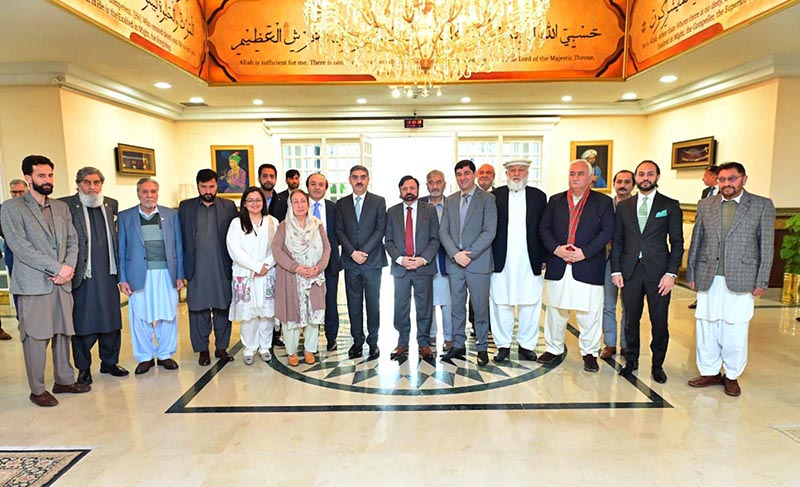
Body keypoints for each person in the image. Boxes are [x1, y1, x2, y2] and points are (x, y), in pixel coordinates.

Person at [1, 155, 89, 407]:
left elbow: (73, 240)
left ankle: (63, 380)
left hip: (62, 283)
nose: (48, 180)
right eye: (41, 176)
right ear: (28, 178)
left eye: (50, 175)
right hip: (34, 285)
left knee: (63, 333)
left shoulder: (60, 208)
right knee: (36, 338)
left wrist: (69, 267)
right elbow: (20, 247)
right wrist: (57, 267)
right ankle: (37, 389)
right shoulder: (11, 208)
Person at [686, 162, 774, 397]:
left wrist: (761, 280)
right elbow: (697, 240)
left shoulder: (761, 205)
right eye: (722, 179)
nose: (726, 183)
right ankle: (709, 371)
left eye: (732, 178)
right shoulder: (707, 204)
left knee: (735, 330)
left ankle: (731, 375)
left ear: (744, 179)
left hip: (742, 276)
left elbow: (766, 245)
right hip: (708, 275)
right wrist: (691, 273)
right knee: (707, 326)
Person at [538, 159, 614, 372]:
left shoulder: (603, 202)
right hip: (559, 263)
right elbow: (544, 228)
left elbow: (607, 232)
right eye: (572, 174)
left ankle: (589, 353)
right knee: (556, 310)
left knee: (588, 312)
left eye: (580, 174)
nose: (575, 178)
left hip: (587, 264)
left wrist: (584, 252)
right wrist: (556, 249)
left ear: (590, 178)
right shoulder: (555, 200)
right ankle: (553, 349)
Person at [612, 161, 683, 383]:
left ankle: (657, 365)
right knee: (630, 320)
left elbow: (677, 242)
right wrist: (616, 270)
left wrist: (671, 274)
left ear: (657, 177)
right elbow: (618, 241)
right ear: (635, 177)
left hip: (659, 274)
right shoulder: (624, 206)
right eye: (641, 174)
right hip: (630, 272)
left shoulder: (670, 205)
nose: (645, 178)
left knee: (659, 321)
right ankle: (631, 361)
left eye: (649, 174)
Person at [59, 167, 127, 385]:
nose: (92, 187)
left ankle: (109, 362)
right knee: (82, 322)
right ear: (78, 183)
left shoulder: (111, 204)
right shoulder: (67, 205)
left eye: (96, 182)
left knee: (111, 320)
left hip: (108, 273)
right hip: (81, 274)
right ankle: (84, 368)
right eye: (87, 182)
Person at [118, 178, 184, 375]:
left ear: (158, 193)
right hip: (139, 273)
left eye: (153, 192)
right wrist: (122, 278)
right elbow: (120, 249)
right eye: (145, 192)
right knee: (140, 315)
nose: (149, 196)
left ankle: (165, 354)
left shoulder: (171, 215)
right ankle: (145, 356)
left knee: (168, 314)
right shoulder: (125, 217)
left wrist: (180, 274)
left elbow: (178, 246)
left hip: (166, 272)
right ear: (138, 194)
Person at [438, 160, 497, 366]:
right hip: (455, 263)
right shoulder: (451, 200)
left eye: (466, 173)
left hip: (478, 262)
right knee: (456, 306)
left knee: (480, 307)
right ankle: (458, 345)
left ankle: (482, 347)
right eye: (459, 174)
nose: (462, 177)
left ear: (473, 175)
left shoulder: (487, 199)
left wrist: (469, 254)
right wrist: (455, 254)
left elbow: (490, 231)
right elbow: (443, 231)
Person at [179, 169, 238, 366]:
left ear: (216, 186)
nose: (208, 190)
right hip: (196, 268)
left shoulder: (228, 206)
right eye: (203, 186)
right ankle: (202, 350)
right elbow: (179, 240)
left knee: (223, 309)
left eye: (211, 186)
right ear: (197, 186)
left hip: (221, 267)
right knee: (198, 310)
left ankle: (221, 348)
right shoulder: (185, 207)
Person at [490, 160, 546, 363]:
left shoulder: (538, 196)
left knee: (530, 302)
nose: (516, 174)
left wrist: (544, 257)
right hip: (501, 258)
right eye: (512, 170)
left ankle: (527, 345)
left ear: (527, 172)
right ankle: (502, 345)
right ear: (505, 173)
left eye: (520, 170)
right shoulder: (495, 196)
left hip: (529, 257)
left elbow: (544, 228)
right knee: (501, 302)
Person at [384, 176, 440, 360]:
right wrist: (400, 259)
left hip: (422, 267)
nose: (409, 191)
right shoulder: (391, 212)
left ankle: (423, 342)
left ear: (417, 190)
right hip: (401, 268)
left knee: (424, 307)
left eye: (412, 188)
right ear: (400, 190)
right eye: (405, 188)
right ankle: (402, 342)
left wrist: (423, 259)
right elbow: (389, 240)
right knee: (401, 307)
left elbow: (435, 239)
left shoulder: (429, 211)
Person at [274, 189, 331, 365]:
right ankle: (291, 352)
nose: (299, 205)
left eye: (303, 202)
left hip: (314, 276)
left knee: (313, 315)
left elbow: (327, 248)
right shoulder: (284, 226)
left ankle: (309, 349)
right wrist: (296, 267)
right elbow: (276, 249)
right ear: (290, 205)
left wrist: (318, 268)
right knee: (291, 316)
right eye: (295, 202)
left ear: (308, 204)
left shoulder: (317, 224)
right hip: (292, 277)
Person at [336, 165, 387, 359]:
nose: (359, 180)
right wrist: (352, 252)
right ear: (349, 179)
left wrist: (363, 251)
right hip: (351, 263)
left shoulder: (378, 201)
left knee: (373, 303)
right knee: (353, 303)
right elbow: (339, 230)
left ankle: (373, 342)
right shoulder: (341, 203)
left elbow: (380, 229)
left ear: (368, 179)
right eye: (355, 177)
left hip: (372, 261)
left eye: (363, 177)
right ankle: (357, 341)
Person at [226, 187, 280, 365]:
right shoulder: (236, 223)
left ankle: (265, 347)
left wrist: (265, 266)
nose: (255, 203)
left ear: (263, 202)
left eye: (258, 200)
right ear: (244, 203)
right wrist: (256, 267)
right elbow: (234, 250)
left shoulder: (272, 221)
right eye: (250, 200)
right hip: (246, 274)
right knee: (248, 314)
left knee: (266, 313)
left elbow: (278, 247)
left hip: (267, 273)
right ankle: (249, 348)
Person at [600, 170, 634, 359]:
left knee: (628, 305)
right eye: (619, 181)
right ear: (614, 184)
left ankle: (626, 344)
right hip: (608, 260)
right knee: (608, 304)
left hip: (630, 262)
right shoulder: (606, 205)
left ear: (633, 184)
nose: (623, 185)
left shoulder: (638, 205)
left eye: (627, 182)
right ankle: (610, 343)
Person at [306, 173, 341, 351]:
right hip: (307, 263)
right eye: (313, 184)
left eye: (321, 184)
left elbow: (339, 234)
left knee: (330, 300)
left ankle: (331, 336)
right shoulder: (300, 206)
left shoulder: (335, 208)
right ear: (308, 187)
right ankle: (310, 339)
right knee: (309, 300)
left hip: (330, 261)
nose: (317, 187)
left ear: (326, 188)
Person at [420, 170, 452, 351]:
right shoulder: (420, 205)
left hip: (446, 261)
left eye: (438, 182)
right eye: (431, 183)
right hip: (424, 261)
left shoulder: (452, 204)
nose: (435, 186)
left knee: (448, 302)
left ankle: (449, 336)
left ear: (444, 184)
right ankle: (430, 335)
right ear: (427, 186)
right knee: (427, 300)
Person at [257, 163, 287, 347]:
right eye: (265, 176)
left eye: (271, 176)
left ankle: (276, 334)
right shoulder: (253, 199)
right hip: (256, 257)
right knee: (258, 298)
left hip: (277, 257)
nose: (268, 179)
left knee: (277, 297)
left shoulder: (284, 202)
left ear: (276, 179)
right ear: (259, 178)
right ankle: (257, 336)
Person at [689, 164, 721, 309]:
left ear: (714, 176)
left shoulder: (725, 191)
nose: (703, 178)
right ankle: (700, 298)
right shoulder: (706, 192)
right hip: (704, 234)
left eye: (706, 175)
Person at [0, 178, 28, 338]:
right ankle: (22, 320)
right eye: (14, 192)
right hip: (13, 255)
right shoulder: (3, 209)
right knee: (17, 288)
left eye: (20, 191)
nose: (17, 195)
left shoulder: (34, 207)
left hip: (34, 257)